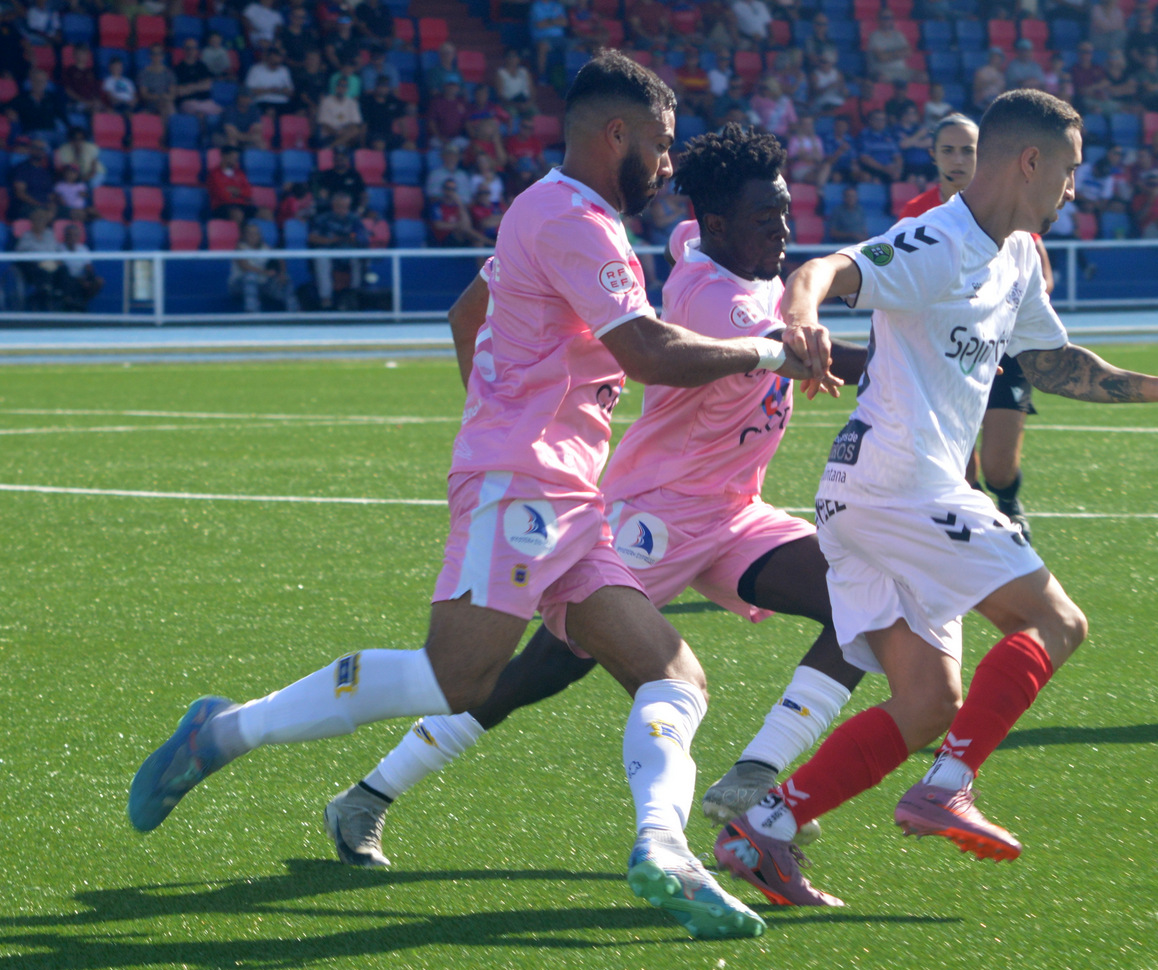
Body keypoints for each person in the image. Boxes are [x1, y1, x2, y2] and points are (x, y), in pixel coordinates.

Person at [126, 50, 834, 943]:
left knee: (673, 675)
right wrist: (772, 352)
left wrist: (499, 411)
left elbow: (468, 314)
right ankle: (225, 731)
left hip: (566, 490)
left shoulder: (561, 215)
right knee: (454, 677)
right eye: (658, 145)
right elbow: (649, 354)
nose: (666, 165)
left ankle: (664, 849)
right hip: (527, 482)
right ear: (615, 133)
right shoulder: (568, 217)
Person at [711, 90, 1158, 905]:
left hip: (869, 493)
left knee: (927, 703)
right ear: (1030, 161)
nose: (1074, 188)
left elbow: (1052, 362)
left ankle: (765, 829)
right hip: (901, 482)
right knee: (1057, 623)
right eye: (1069, 170)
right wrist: (802, 316)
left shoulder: (1016, 254)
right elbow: (821, 271)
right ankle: (947, 786)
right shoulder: (938, 240)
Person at [323, 125, 869, 890]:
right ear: (719, 224)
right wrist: (931, 357)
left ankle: (754, 776)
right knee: (534, 672)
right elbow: (820, 353)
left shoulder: (710, 249)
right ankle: (369, 794)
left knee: (865, 599)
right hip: (653, 514)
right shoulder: (719, 303)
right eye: (764, 218)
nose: (782, 231)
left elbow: (692, 242)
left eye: (784, 214)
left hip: (733, 512)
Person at [898, 114, 1041, 540]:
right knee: (959, 468)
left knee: (999, 469)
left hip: (1003, 349)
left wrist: (994, 307)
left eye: (968, 150)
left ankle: (1008, 500)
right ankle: (981, 527)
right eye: (948, 150)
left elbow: (1042, 278)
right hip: (947, 354)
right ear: (933, 156)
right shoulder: (916, 213)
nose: (958, 160)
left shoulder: (1009, 206)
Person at [228, 220, 295, 312]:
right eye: (250, 233)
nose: (253, 236)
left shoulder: (265, 247)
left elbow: (280, 259)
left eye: (256, 233)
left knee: (286, 278)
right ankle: (252, 312)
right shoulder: (240, 248)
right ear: (244, 235)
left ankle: (294, 312)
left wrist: (282, 273)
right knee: (250, 276)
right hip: (239, 286)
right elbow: (244, 266)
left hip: (262, 285)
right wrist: (264, 272)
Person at [208, 146, 256, 223]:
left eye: (237, 158)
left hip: (241, 204)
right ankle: (241, 231)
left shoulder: (240, 174)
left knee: (265, 213)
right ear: (224, 156)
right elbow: (222, 195)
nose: (236, 160)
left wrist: (237, 192)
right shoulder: (214, 174)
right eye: (233, 157)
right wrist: (241, 194)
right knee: (237, 214)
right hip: (222, 207)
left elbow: (249, 192)